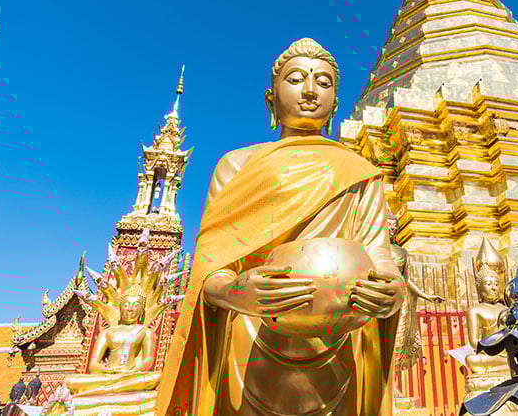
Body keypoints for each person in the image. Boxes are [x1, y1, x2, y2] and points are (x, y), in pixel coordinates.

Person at [154, 38, 406, 415]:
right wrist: (238, 291)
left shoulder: (361, 173)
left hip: (339, 343)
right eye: (296, 79)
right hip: (253, 340)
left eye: (323, 82)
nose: (309, 91)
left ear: (335, 104)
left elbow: (378, 255)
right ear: (271, 100)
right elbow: (212, 271)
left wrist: (390, 291)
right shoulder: (237, 166)